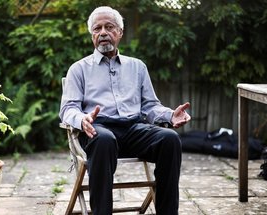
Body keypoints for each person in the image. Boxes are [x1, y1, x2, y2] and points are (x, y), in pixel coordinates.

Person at [59, 6, 191, 215]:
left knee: (170, 139)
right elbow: (67, 109)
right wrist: (82, 119)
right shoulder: (79, 69)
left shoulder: (137, 67)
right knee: (104, 139)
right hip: (97, 131)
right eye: (97, 28)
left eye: (109, 27)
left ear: (120, 32)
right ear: (92, 35)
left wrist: (169, 115)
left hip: (133, 130)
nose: (103, 32)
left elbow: (150, 106)